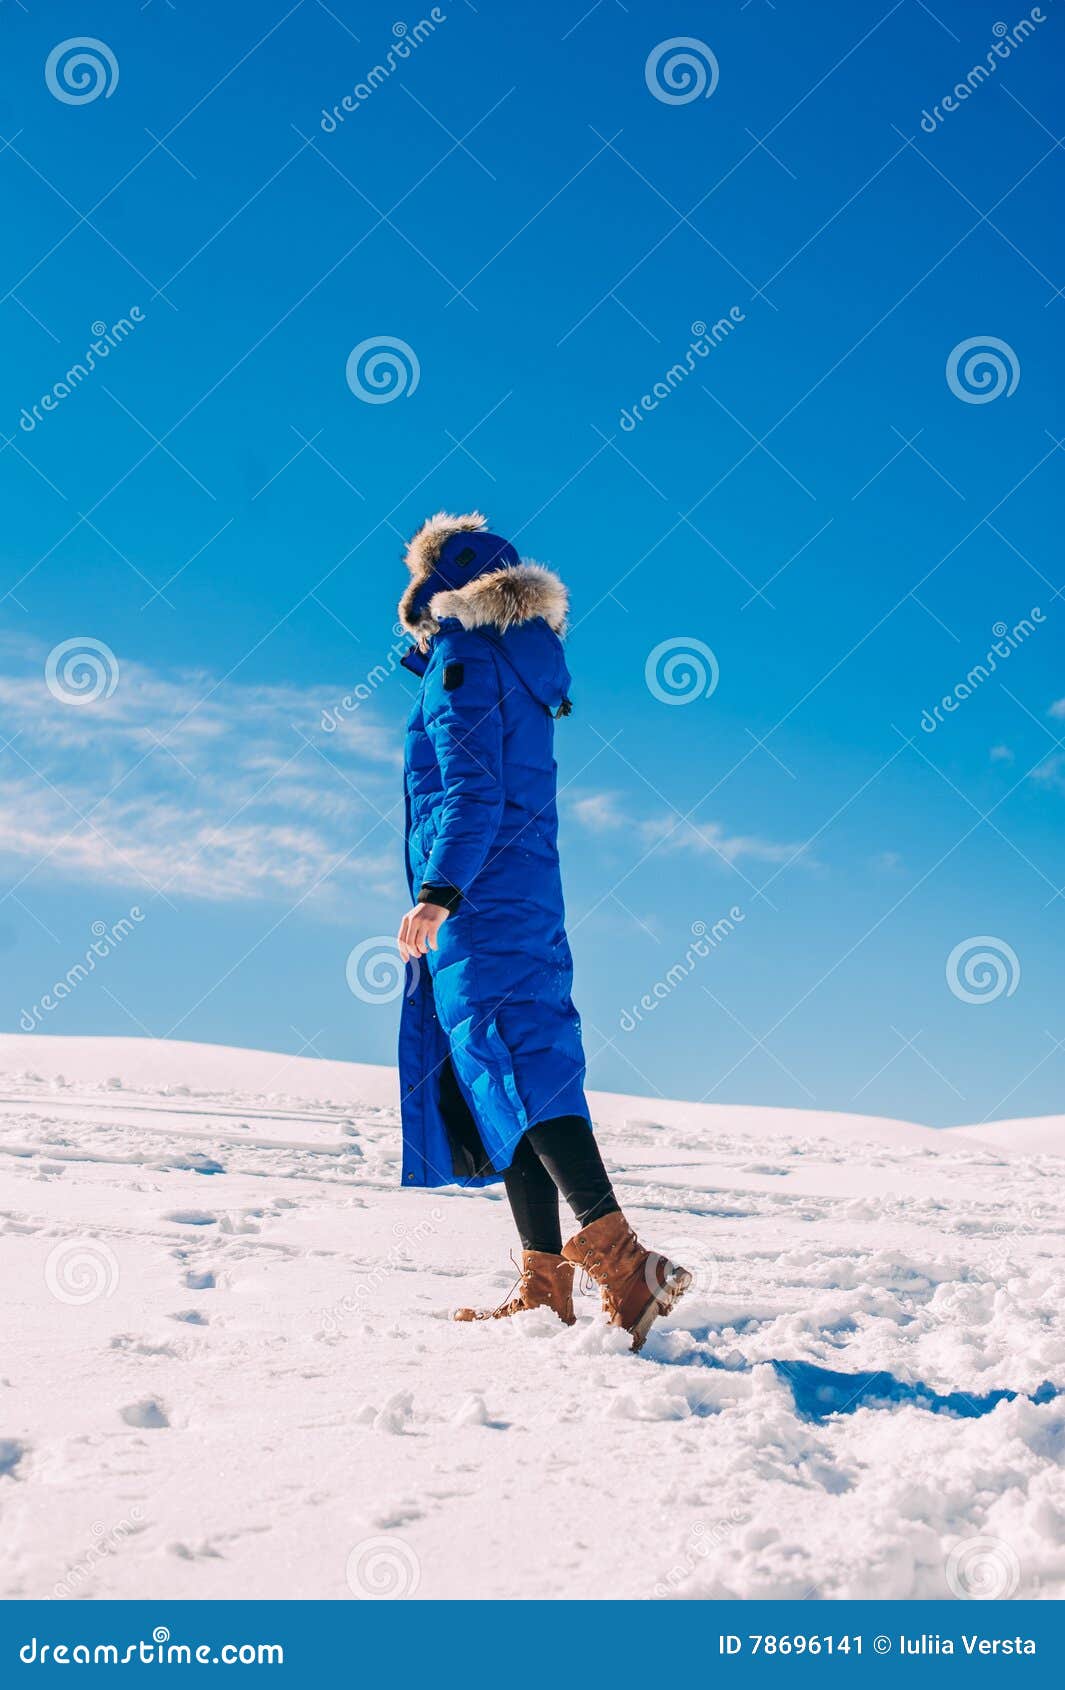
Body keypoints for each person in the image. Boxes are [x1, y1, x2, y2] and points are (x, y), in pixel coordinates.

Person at [395, 512, 690, 1351]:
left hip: (481, 897)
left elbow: (472, 792)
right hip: (516, 893)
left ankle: (625, 1262)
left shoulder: (462, 662)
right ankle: (542, 1280)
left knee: (518, 1066)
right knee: (506, 1075)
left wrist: (438, 891)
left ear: (447, 592)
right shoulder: (508, 664)